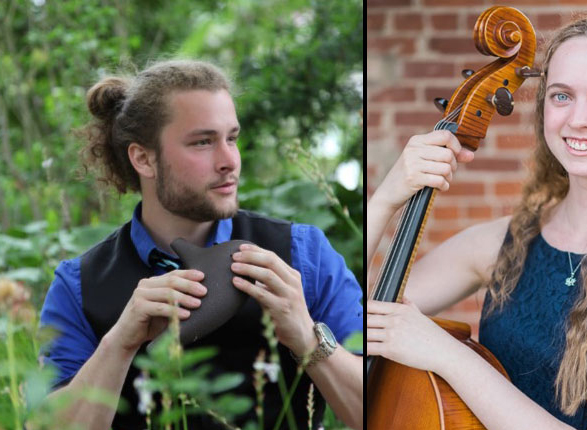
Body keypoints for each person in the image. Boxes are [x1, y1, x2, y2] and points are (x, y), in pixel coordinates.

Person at [367, 11, 587, 430]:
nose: (578, 119)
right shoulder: (503, 242)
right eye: (561, 95)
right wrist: (387, 197)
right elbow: (353, 318)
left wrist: (447, 354)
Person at [39, 60, 363, 430]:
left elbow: (382, 413)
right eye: (203, 142)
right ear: (143, 158)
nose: (229, 161)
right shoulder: (77, 285)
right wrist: (120, 343)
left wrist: (306, 337)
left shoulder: (303, 253)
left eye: (232, 138)